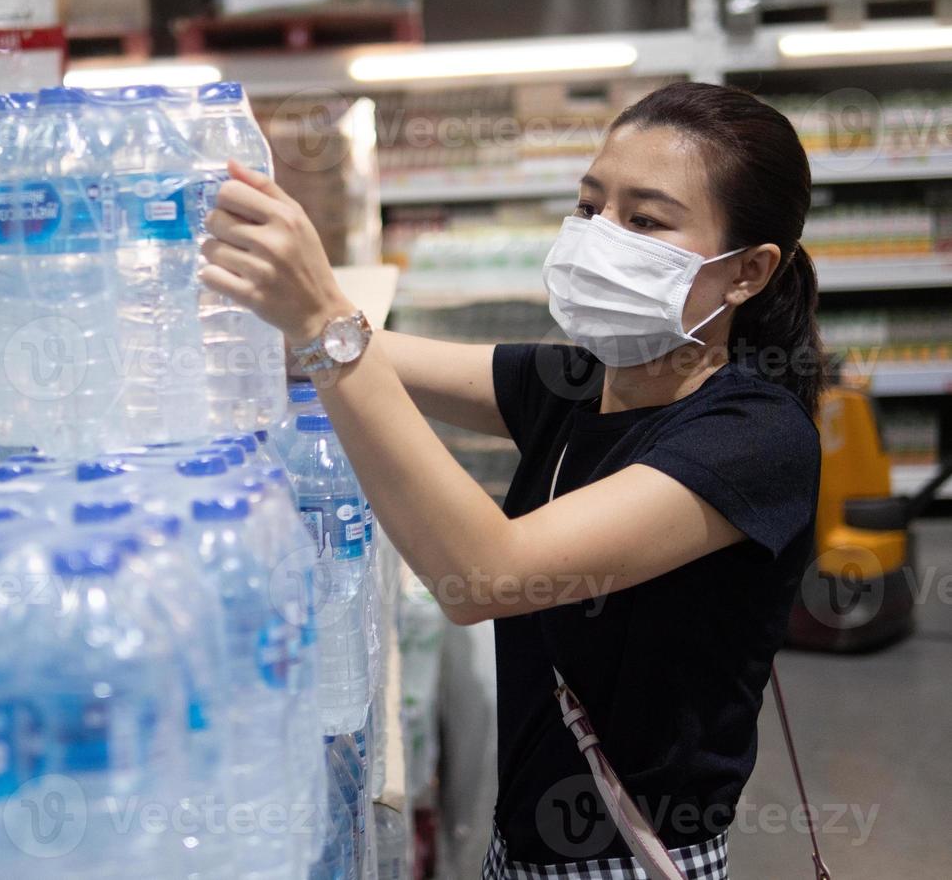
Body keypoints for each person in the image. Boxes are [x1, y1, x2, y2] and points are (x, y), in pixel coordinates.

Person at [201, 81, 823, 880]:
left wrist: (323, 316)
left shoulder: (753, 440)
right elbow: (366, 350)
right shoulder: (577, 382)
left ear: (747, 272)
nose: (600, 237)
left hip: (630, 860)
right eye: (590, 206)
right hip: (523, 846)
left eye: (645, 220)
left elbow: (482, 576)